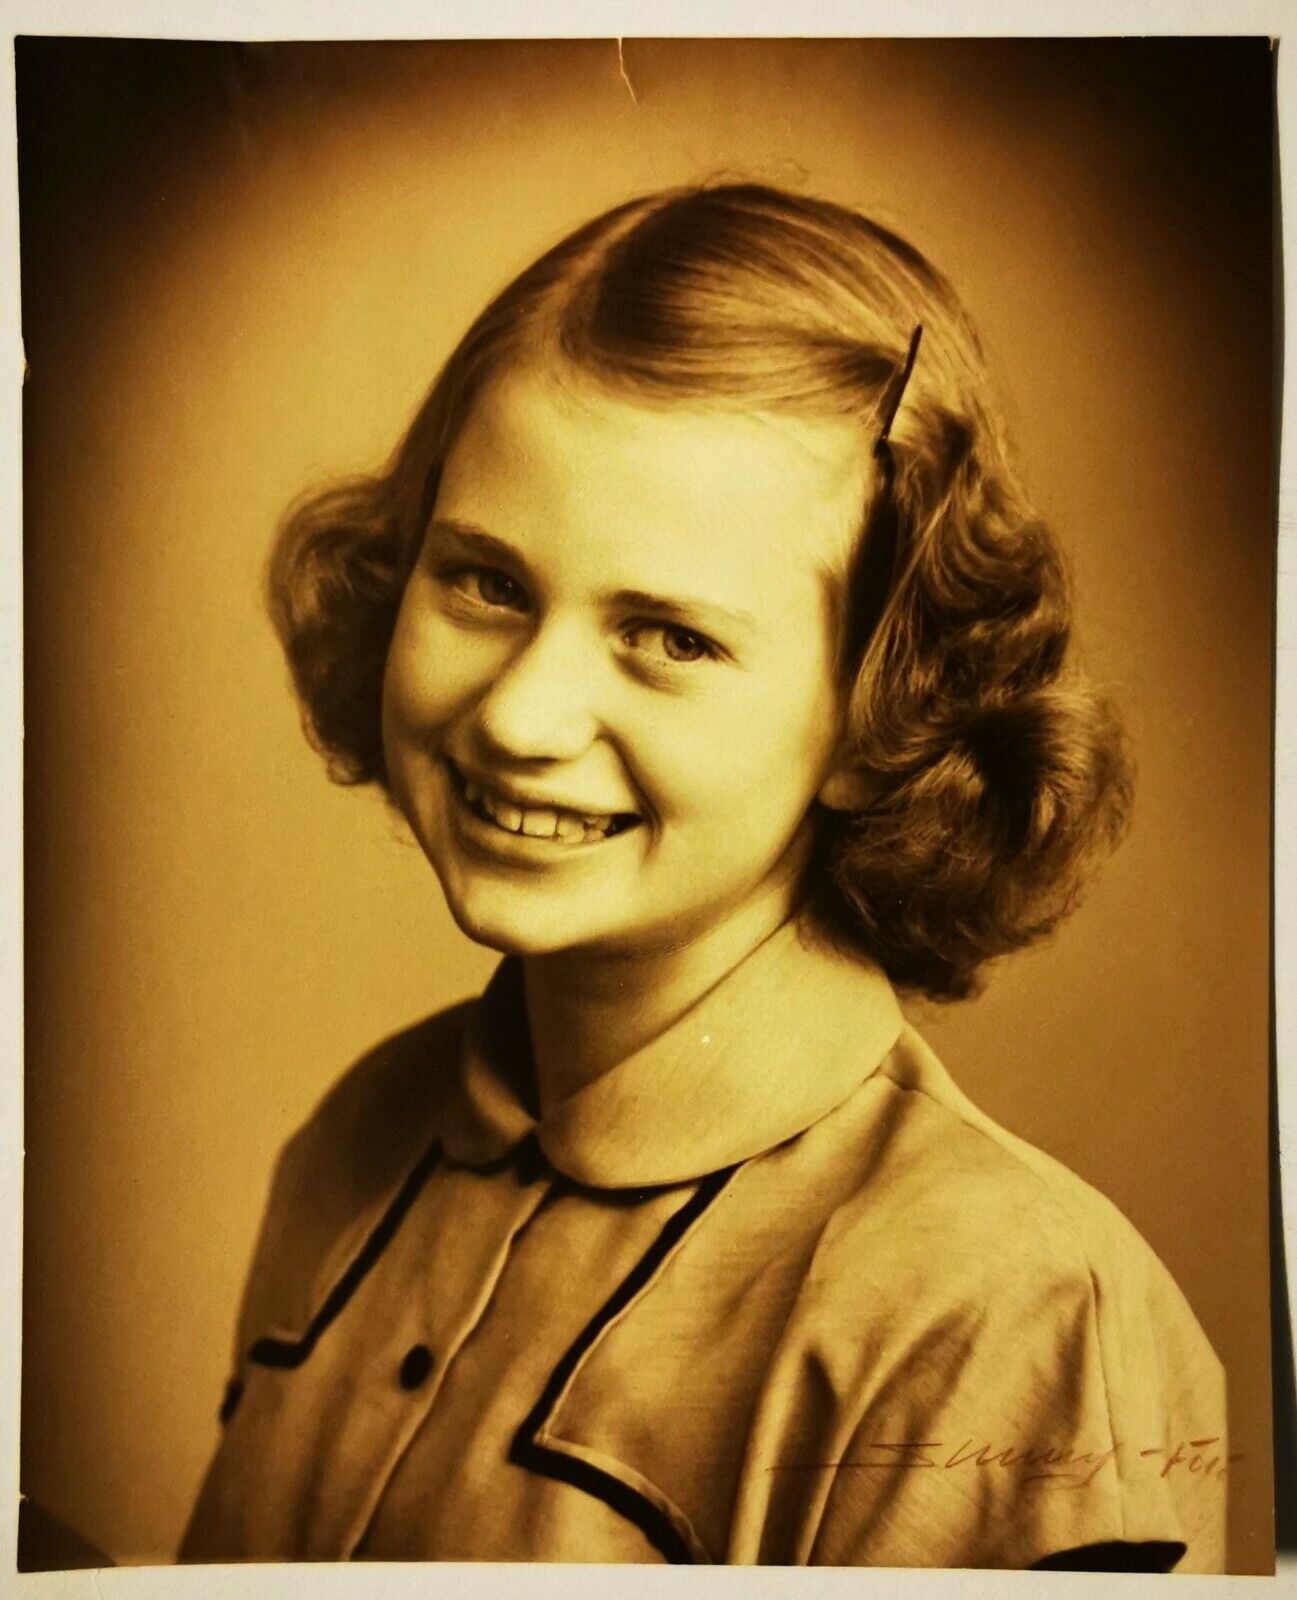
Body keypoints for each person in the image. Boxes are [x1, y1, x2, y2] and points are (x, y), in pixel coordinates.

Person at [178, 182, 1227, 1570]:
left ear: (878, 717)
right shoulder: (360, 1137)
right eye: (485, 582)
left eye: (667, 637)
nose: (520, 716)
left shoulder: (1011, 1309)